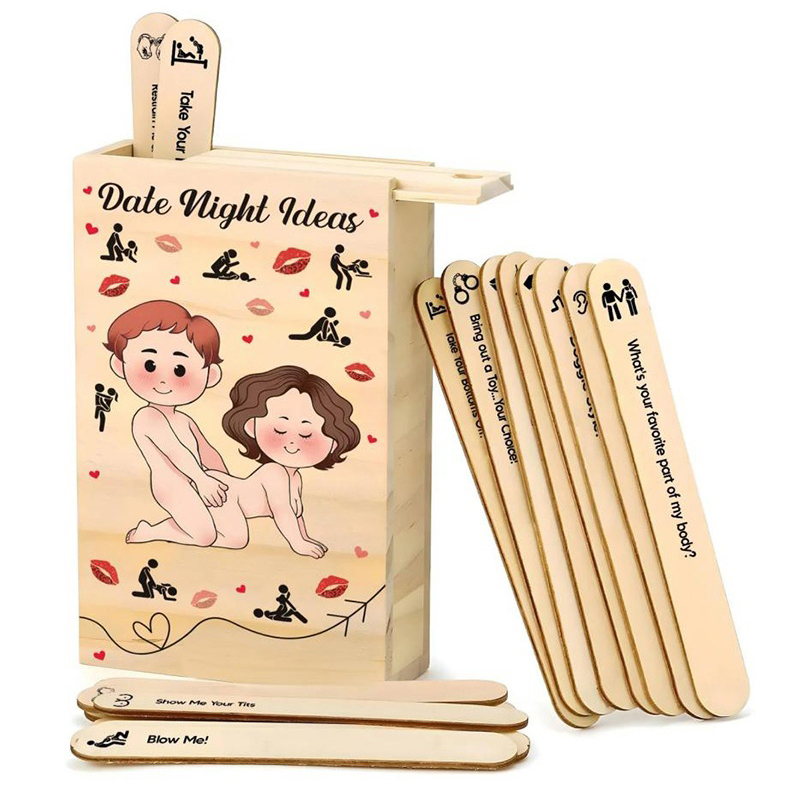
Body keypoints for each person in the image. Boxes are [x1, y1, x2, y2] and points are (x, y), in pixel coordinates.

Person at [127, 366, 361, 557]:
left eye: (307, 435)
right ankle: (153, 531)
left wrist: (305, 537)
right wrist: (297, 543)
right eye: (280, 430)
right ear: (251, 426)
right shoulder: (274, 473)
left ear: (333, 443)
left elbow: (295, 513)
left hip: (218, 484)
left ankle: (168, 527)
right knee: (230, 539)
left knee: (224, 536)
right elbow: (282, 511)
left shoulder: (295, 478)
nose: (292, 443)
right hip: (224, 496)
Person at [104, 301, 229, 547]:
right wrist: (201, 479)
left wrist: (225, 479)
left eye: (180, 369)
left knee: (235, 537)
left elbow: (207, 451)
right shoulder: (147, 417)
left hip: (198, 479)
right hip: (172, 485)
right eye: (150, 365)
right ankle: (151, 531)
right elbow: (175, 451)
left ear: (211, 376)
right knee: (205, 536)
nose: (163, 380)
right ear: (120, 365)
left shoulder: (184, 419)